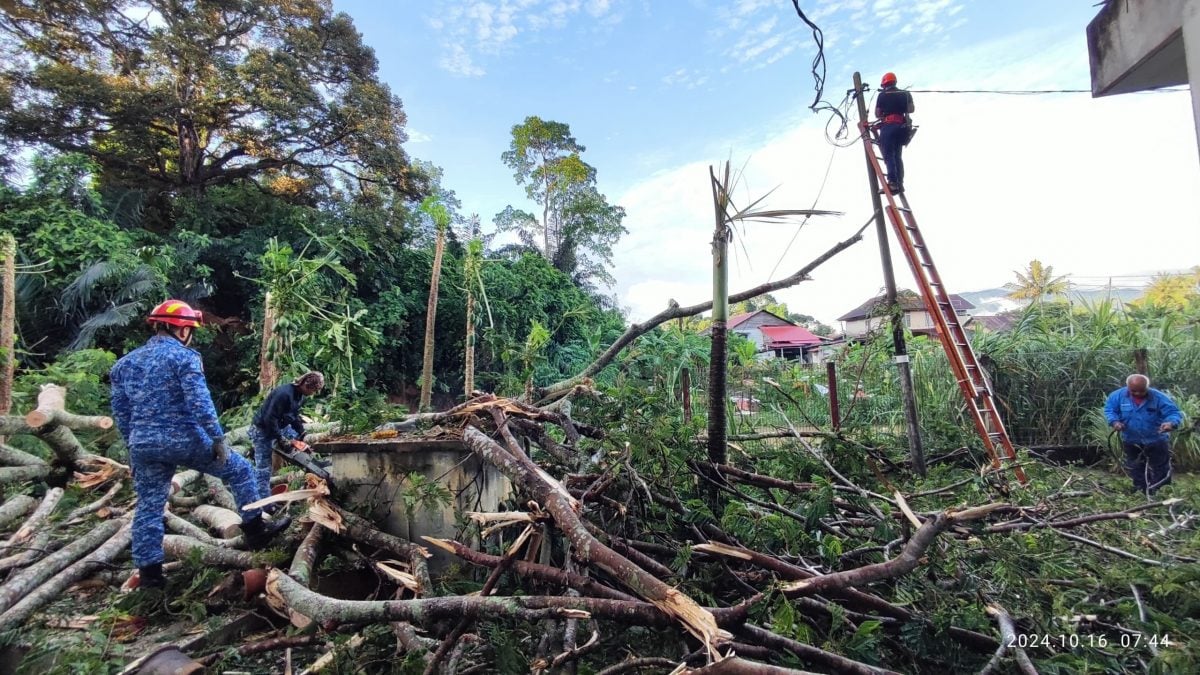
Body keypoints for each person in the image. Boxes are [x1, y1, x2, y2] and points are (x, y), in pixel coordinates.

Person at [111, 300, 291, 589]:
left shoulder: (124, 364)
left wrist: (132, 448)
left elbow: (121, 412)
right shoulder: (185, 358)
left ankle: (150, 576)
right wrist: (217, 438)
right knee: (241, 470)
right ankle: (256, 529)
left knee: (149, 507)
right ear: (181, 330)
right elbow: (200, 402)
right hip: (186, 439)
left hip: (143, 444)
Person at [250, 371, 325, 499]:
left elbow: (293, 416)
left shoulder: (299, 396)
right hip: (263, 430)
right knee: (263, 468)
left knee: (301, 448)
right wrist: (281, 439)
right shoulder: (283, 394)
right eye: (313, 390)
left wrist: (302, 432)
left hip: (281, 426)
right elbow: (270, 419)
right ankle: (263, 500)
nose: (313, 394)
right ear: (306, 385)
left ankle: (317, 465)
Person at [1104, 374, 1182, 495]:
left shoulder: (1158, 397)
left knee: (1161, 468)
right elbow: (1110, 410)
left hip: (1156, 439)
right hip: (1131, 439)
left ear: (1147, 387)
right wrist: (1114, 422)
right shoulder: (1117, 396)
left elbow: (1173, 412)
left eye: (1142, 391)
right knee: (1136, 467)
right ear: (1128, 387)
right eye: (1134, 391)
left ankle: (1162, 493)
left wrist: (1170, 423)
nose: (1138, 393)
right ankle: (1141, 492)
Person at [874, 72, 915, 194]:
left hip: (889, 127)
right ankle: (899, 184)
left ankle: (892, 183)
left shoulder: (882, 95)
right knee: (897, 156)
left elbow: (877, 113)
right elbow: (911, 109)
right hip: (902, 128)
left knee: (889, 155)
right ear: (895, 82)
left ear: (884, 83)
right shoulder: (905, 94)